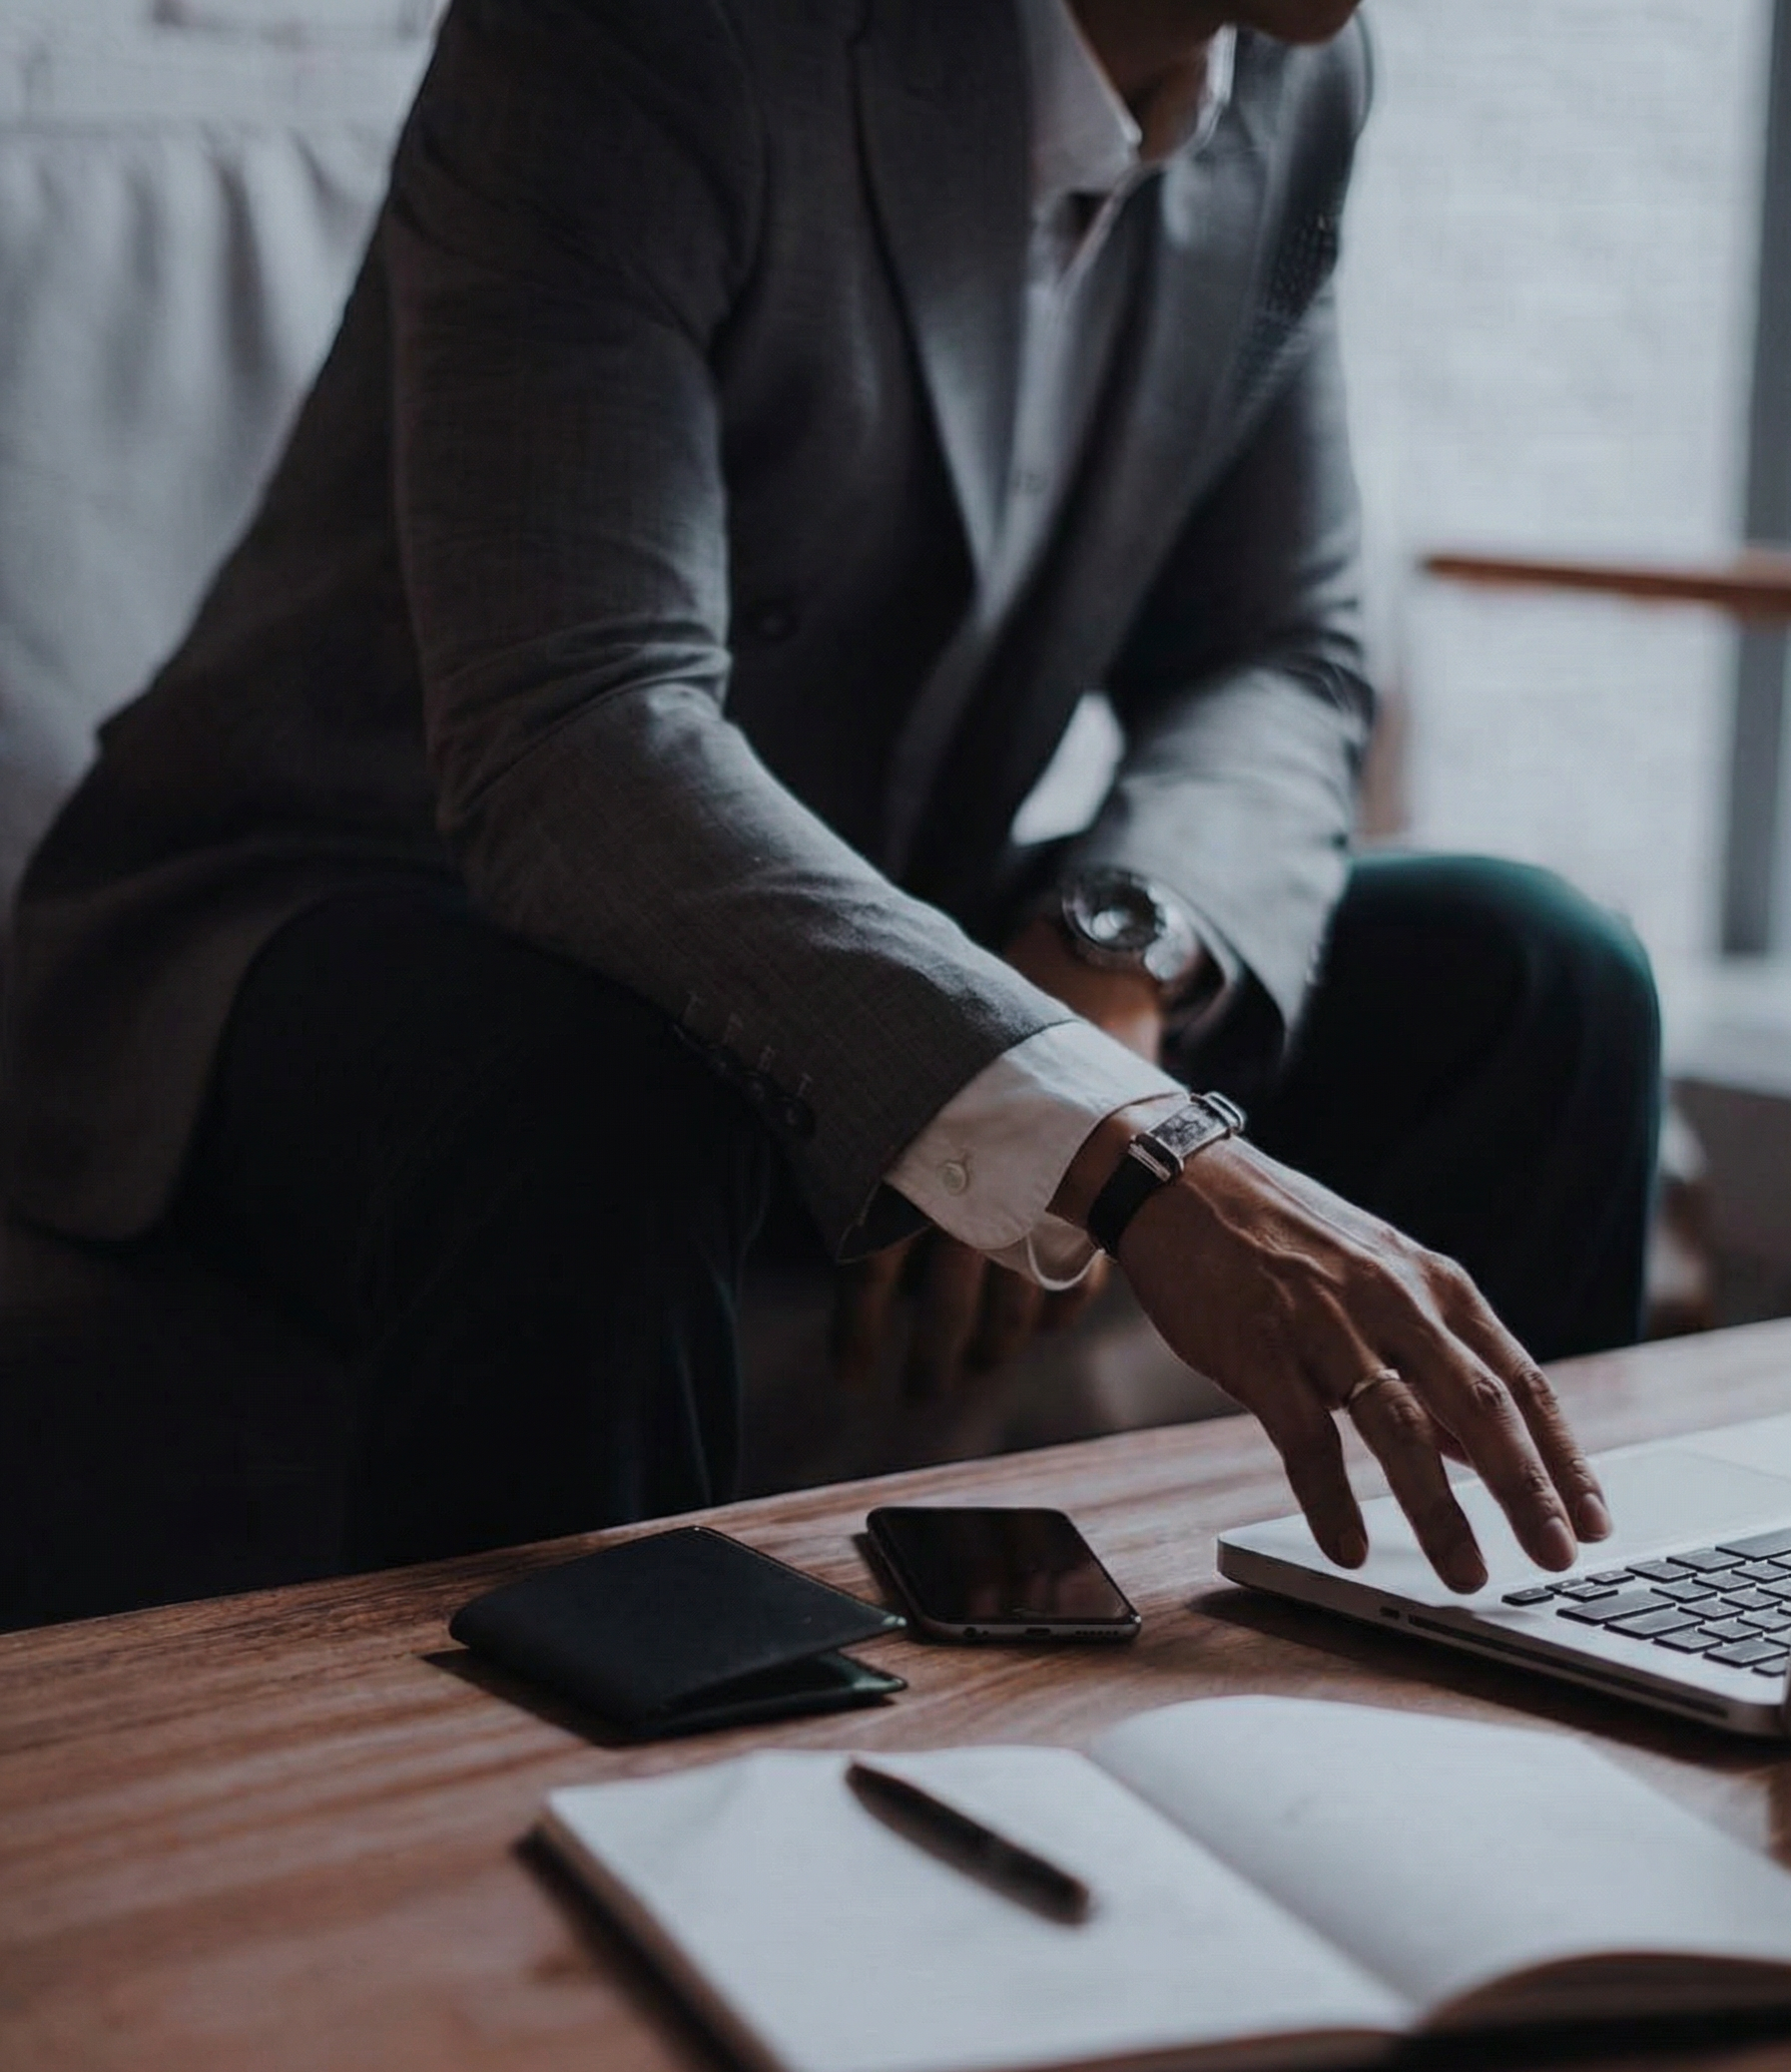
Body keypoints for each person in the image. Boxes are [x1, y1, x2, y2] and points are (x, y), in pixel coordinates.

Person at [0, 0, 1660, 1595]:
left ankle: (1525, 1694)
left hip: (857, 909)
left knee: (1541, 979)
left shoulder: (1298, 90)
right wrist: (1098, 1135)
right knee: (604, 1102)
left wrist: (1112, 954)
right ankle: (574, 1834)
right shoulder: (637, 34)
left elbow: (1274, 648)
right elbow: (579, 724)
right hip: (338, 905)